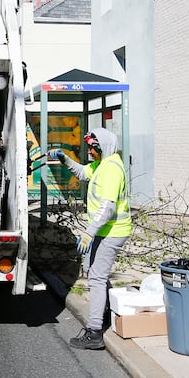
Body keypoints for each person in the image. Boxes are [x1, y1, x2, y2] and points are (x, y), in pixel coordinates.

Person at [48, 128, 131, 350]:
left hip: (112, 231)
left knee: (96, 276)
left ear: (104, 147)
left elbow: (108, 207)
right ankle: (105, 311)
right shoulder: (102, 165)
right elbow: (84, 173)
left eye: (94, 148)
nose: (91, 152)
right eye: (90, 148)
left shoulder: (112, 168)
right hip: (106, 230)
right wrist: (65, 159)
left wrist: (89, 232)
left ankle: (94, 332)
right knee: (93, 269)